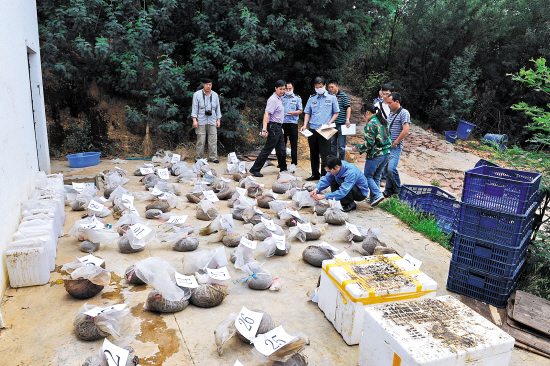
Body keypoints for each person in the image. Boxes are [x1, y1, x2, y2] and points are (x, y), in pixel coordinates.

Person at [301, 76, 339, 181]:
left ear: (325, 85)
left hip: (325, 129)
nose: (319, 89)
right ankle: (315, 174)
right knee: (313, 153)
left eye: (321, 86)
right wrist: (305, 124)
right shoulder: (312, 98)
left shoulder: (331, 97)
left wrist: (330, 122)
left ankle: (325, 174)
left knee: (325, 153)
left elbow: (336, 112)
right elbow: (307, 112)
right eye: (317, 87)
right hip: (312, 129)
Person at [249, 80, 288, 177]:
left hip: (278, 127)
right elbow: (267, 113)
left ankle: (283, 168)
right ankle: (255, 169)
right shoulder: (273, 99)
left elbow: (278, 115)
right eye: (280, 89)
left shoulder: (280, 98)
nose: (282, 91)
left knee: (282, 149)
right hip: (273, 127)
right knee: (268, 149)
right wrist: (264, 129)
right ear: (275, 88)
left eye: (284, 89)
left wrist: (280, 126)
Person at [355, 103, 391, 207]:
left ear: (367, 113)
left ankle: (378, 194)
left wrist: (358, 148)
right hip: (386, 153)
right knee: (377, 176)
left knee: (367, 176)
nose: (363, 118)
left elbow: (369, 144)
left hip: (375, 155)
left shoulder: (371, 124)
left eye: (363, 115)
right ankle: (373, 198)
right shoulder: (383, 121)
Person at [383, 92, 410, 197]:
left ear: (397, 101)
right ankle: (388, 190)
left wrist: (396, 142)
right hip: (387, 146)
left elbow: (405, 130)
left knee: (391, 168)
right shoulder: (391, 113)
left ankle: (398, 189)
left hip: (395, 147)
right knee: (385, 169)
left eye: (390, 103)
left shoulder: (404, 113)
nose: (388, 105)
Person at [191, 78, 222, 163]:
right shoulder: (197, 94)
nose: (209, 86)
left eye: (210, 85)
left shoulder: (215, 95)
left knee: (213, 140)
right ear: (203, 85)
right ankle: (198, 158)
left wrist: (218, 120)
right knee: (201, 140)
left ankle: (213, 157)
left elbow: (217, 108)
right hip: (201, 120)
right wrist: (194, 120)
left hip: (212, 120)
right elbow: (194, 108)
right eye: (207, 84)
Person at [328, 80, 351, 160]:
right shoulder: (328, 96)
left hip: (341, 124)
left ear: (337, 87)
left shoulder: (343, 96)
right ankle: (333, 161)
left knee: (341, 145)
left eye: (332, 87)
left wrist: (347, 119)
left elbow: (348, 107)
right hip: (331, 124)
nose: (330, 89)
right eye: (329, 87)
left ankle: (341, 162)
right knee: (332, 144)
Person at [282, 82, 303, 166]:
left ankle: (294, 163)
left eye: (289, 88)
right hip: (282, 124)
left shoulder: (297, 98)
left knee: (293, 144)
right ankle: (282, 163)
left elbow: (300, 110)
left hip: (293, 124)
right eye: (286, 88)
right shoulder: (281, 97)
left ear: (293, 89)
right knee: (282, 144)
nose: (288, 90)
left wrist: (293, 113)